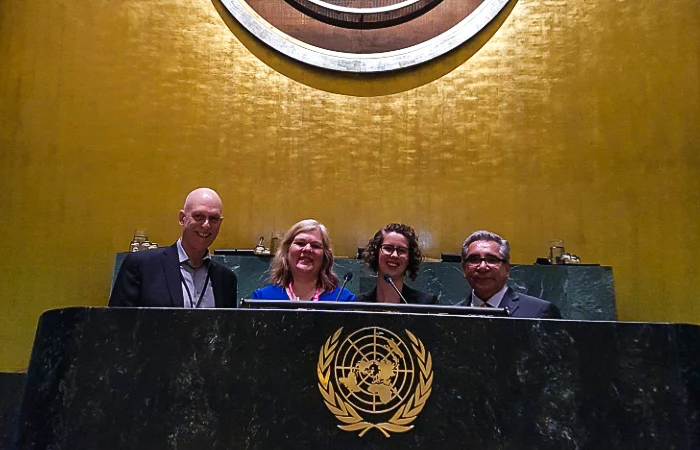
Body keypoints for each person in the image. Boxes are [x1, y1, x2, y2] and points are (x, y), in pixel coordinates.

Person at [109, 188, 237, 308]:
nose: (206, 225)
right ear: (182, 218)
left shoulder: (226, 279)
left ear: (220, 223)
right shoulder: (141, 266)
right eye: (198, 216)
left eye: (213, 218)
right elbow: (116, 321)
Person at [457, 230, 561, 318]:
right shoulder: (453, 315)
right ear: (464, 269)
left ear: (507, 268)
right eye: (474, 259)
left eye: (492, 260)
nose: (482, 267)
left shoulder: (538, 312)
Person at [251, 219, 355, 301]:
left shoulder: (344, 300)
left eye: (315, 245)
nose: (307, 249)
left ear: (325, 256)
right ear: (286, 251)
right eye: (300, 243)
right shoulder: (262, 298)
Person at [356, 223, 437, 304]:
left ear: (410, 258)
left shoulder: (425, 304)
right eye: (388, 248)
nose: (394, 255)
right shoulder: (359, 303)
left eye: (401, 250)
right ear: (376, 253)